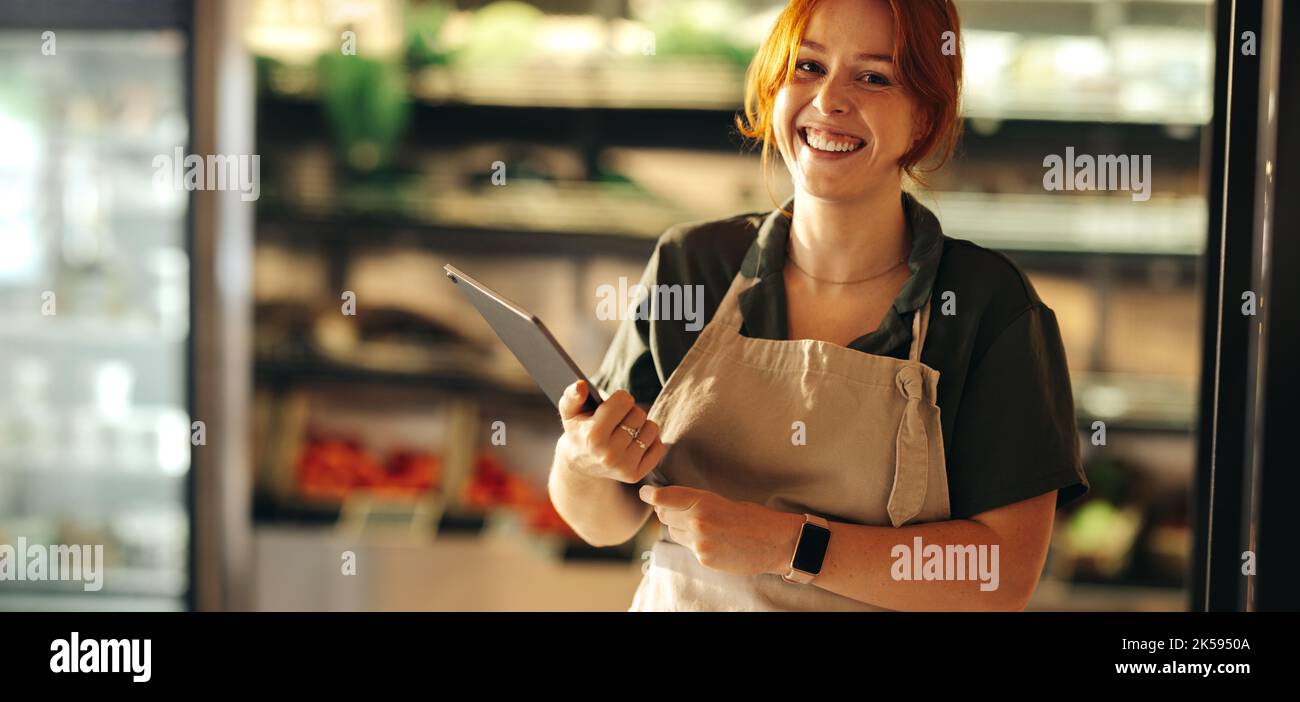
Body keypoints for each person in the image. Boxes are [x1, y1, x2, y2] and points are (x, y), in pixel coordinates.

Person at [548, 0, 1088, 611]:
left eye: (874, 76)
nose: (829, 100)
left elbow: (1000, 575)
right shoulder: (692, 266)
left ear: (925, 119)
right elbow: (603, 523)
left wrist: (789, 546)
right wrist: (582, 459)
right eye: (808, 66)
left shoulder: (989, 305)